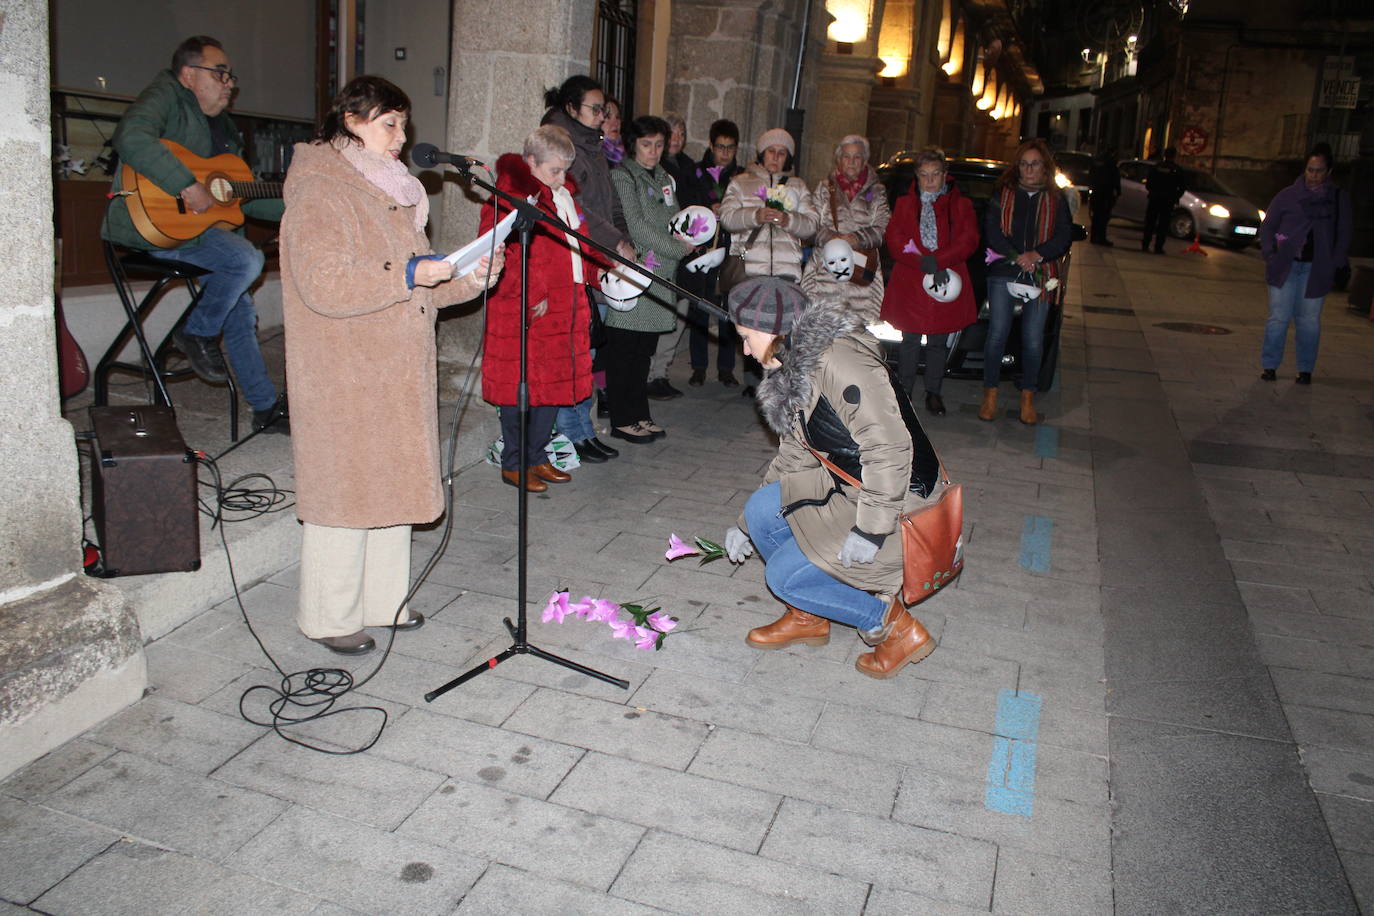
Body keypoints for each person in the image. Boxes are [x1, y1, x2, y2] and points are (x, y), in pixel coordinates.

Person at [280, 76, 502, 654]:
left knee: (389, 483)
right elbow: (324, 283)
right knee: (347, 492)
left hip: (394, 365)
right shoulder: (321, 190)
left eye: (403, 124)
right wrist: (408, 274)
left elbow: (420, 286)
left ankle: (383, 602)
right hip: (344, 368)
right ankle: (328, 617)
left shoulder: (393, 191)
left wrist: (469, 277)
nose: (403, 137)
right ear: (351, 121)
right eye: (390, 124)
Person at [721, 279, 943, 679]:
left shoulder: (841, 363)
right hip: (855, 486)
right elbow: (795, 453)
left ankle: (892, 625)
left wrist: (870, 532)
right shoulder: (798, 363)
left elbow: (889, 449)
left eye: (746, 337)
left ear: (774, 332)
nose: (745, 349)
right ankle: (810, 616)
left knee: (783, 577)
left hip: (900, 504)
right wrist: (743, 525)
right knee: (761, 511)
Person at [103, 35, 287, 434]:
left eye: (230, 76)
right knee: (245, 259)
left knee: (239, 307)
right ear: (188, 75)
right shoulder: (165, 94)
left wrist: (299, 206)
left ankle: (264, 408)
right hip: (152, 228)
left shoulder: (225, 129)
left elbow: (240, 198)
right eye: (220, 73)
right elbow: (131, 137)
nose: (230, 83)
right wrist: (185, 184)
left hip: (203, 238)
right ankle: (196, 332)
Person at [480, 126, 607, 490]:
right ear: (531, 162)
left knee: (551, 386)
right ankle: (514, 461)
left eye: (565, 170)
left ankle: (537, 456)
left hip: (563, 305)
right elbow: (500, 249)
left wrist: (600, 273)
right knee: (520, 385)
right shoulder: (509, 195)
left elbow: (577, 243)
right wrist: (532, 292)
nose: (561, 178)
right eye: (554, 170)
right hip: (526, 307)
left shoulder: (562, 196)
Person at [541, 77, 633, 462]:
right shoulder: (562, 145)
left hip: (597, 257)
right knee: (572, 353)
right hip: (574, 258)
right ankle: (571, 434)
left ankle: (584, 430)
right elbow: (580, 210)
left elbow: (608, 202)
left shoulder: (594, 146)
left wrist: (625, 238)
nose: (603, 116)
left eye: (604, 110)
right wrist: (614, 242)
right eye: (595, 109)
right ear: (572, 107)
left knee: (588, 352)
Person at [606, 116, 697, 443]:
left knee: (643, 352)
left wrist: (690, 232)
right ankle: (621, 418)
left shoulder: (663, 177)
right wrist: (676, 247)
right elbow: (636, 225)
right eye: (647, 144)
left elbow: (674, 216)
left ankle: (639, 413)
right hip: (636, 274)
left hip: (660, 273)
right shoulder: (623, 175)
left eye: (659, 144)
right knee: (624, 351)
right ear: (633, 145)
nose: (654, 151)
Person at [719, 128, 818, 395]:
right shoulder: (741, 182)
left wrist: (788, 220)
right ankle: (754, 383)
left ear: (788, 157)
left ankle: (782, 381)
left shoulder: (797, 186)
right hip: (753, 269)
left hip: (786, 270)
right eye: (771, 151)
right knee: (755, 327)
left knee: (783, 330)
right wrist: (755, 215)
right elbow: (727, 218)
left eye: (782, 153)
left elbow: (811, 225)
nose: (776, 157)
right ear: (762, 154)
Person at [981, 139, 1073, 425]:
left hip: (1041, 274)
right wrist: (1016, 256)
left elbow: (1063, 236)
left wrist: (1036, 255)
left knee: (1033, 339)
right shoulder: (1003, 194)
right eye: (1024, 163)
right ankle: (990, 395)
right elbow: (992, 229)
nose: (1028, 169)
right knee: (997, 334)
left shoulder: (1056, 200)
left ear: (1045, 167)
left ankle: (1028, 397)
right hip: (1005, 268)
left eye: (1034, 164)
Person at [880, 147, 978, 417]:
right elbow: (895, 239)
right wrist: (921, 261)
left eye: (935, 174)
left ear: (945, 175)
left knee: (937, 343)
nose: (930, 180)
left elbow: (968, 239)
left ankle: (934, 392)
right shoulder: (904, 204)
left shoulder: (960, 204)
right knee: (909, 341)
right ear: (917, 177)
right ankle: (905, 392)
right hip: (912, 281)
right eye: (924, 175)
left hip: (946, 281)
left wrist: (940, 260)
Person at [1258, 143, 1353, 385]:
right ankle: (1270, 366)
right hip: (1285, 265)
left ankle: (1305, 369)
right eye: (1310, 170)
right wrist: (1270, 253)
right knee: (1278, 317)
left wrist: (1336, 263)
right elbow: (1268, 226)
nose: (1313, 176)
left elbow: (1343, 233)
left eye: (1319, 171)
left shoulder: (1338, 200)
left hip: (1316, 268)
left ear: (1329, 171)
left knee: (1308, 320)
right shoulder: (1287, 196)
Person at [800, 134, 891, 323]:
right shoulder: (825, 188)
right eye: (846, 156)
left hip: (862, 279)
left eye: (857, 157)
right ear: (839, 160)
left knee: (857, 337)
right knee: (819, 334)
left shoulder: (877, 191)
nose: (851, 162)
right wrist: (834, 239)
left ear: (865, 160)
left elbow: (883, 227)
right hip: (825, 276)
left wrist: (856, 238)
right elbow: (811, 224)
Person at [645, 112, 703, 400]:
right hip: (664, 252)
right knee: (660, 312)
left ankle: (660, 373)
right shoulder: (655, 169)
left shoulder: (690, 167)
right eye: (672, 133)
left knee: (679, 314)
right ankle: (649, 372)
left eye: (682, 133)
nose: (677, 139)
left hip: (688, 252)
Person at [686, 119, 744, 388]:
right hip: (703, 248)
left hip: (729, 250)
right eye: (720, 147)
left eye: (730, 148)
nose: (724, 153)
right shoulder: (697, 173)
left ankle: (725, 367)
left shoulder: (741, 177)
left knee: (726, 309)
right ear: (711, 146)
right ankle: (698, 365)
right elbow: (688, 204)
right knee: (699, 308)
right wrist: (709, 207)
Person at [1142, 146, 1186, 254]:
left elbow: (1148, 184)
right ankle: (1158, 247)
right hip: (1168, 201)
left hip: (1155, 199)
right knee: (1163, 225)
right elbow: (1182, 187)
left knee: (1150, 223)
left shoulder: (1156, 167)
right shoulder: (1177, 170)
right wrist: (1175, 197)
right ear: (1174, 156)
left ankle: (1145, 245)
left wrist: (1153, 191)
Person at [1088, 150, 1120, 246]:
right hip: (1106, 195)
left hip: (1096, 194)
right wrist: (1117, 193)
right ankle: (1101, 237)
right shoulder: (1111, 165)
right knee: (1103, 218)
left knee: (1096, 216)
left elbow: (1090, 177)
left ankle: (1094, 237)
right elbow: (1115, 180)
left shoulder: (1097, 164)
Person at [601, 98, 625, 166]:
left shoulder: (628, 150)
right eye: (608, 117)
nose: (615, 123)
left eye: (617, 117)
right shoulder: (593, 152)